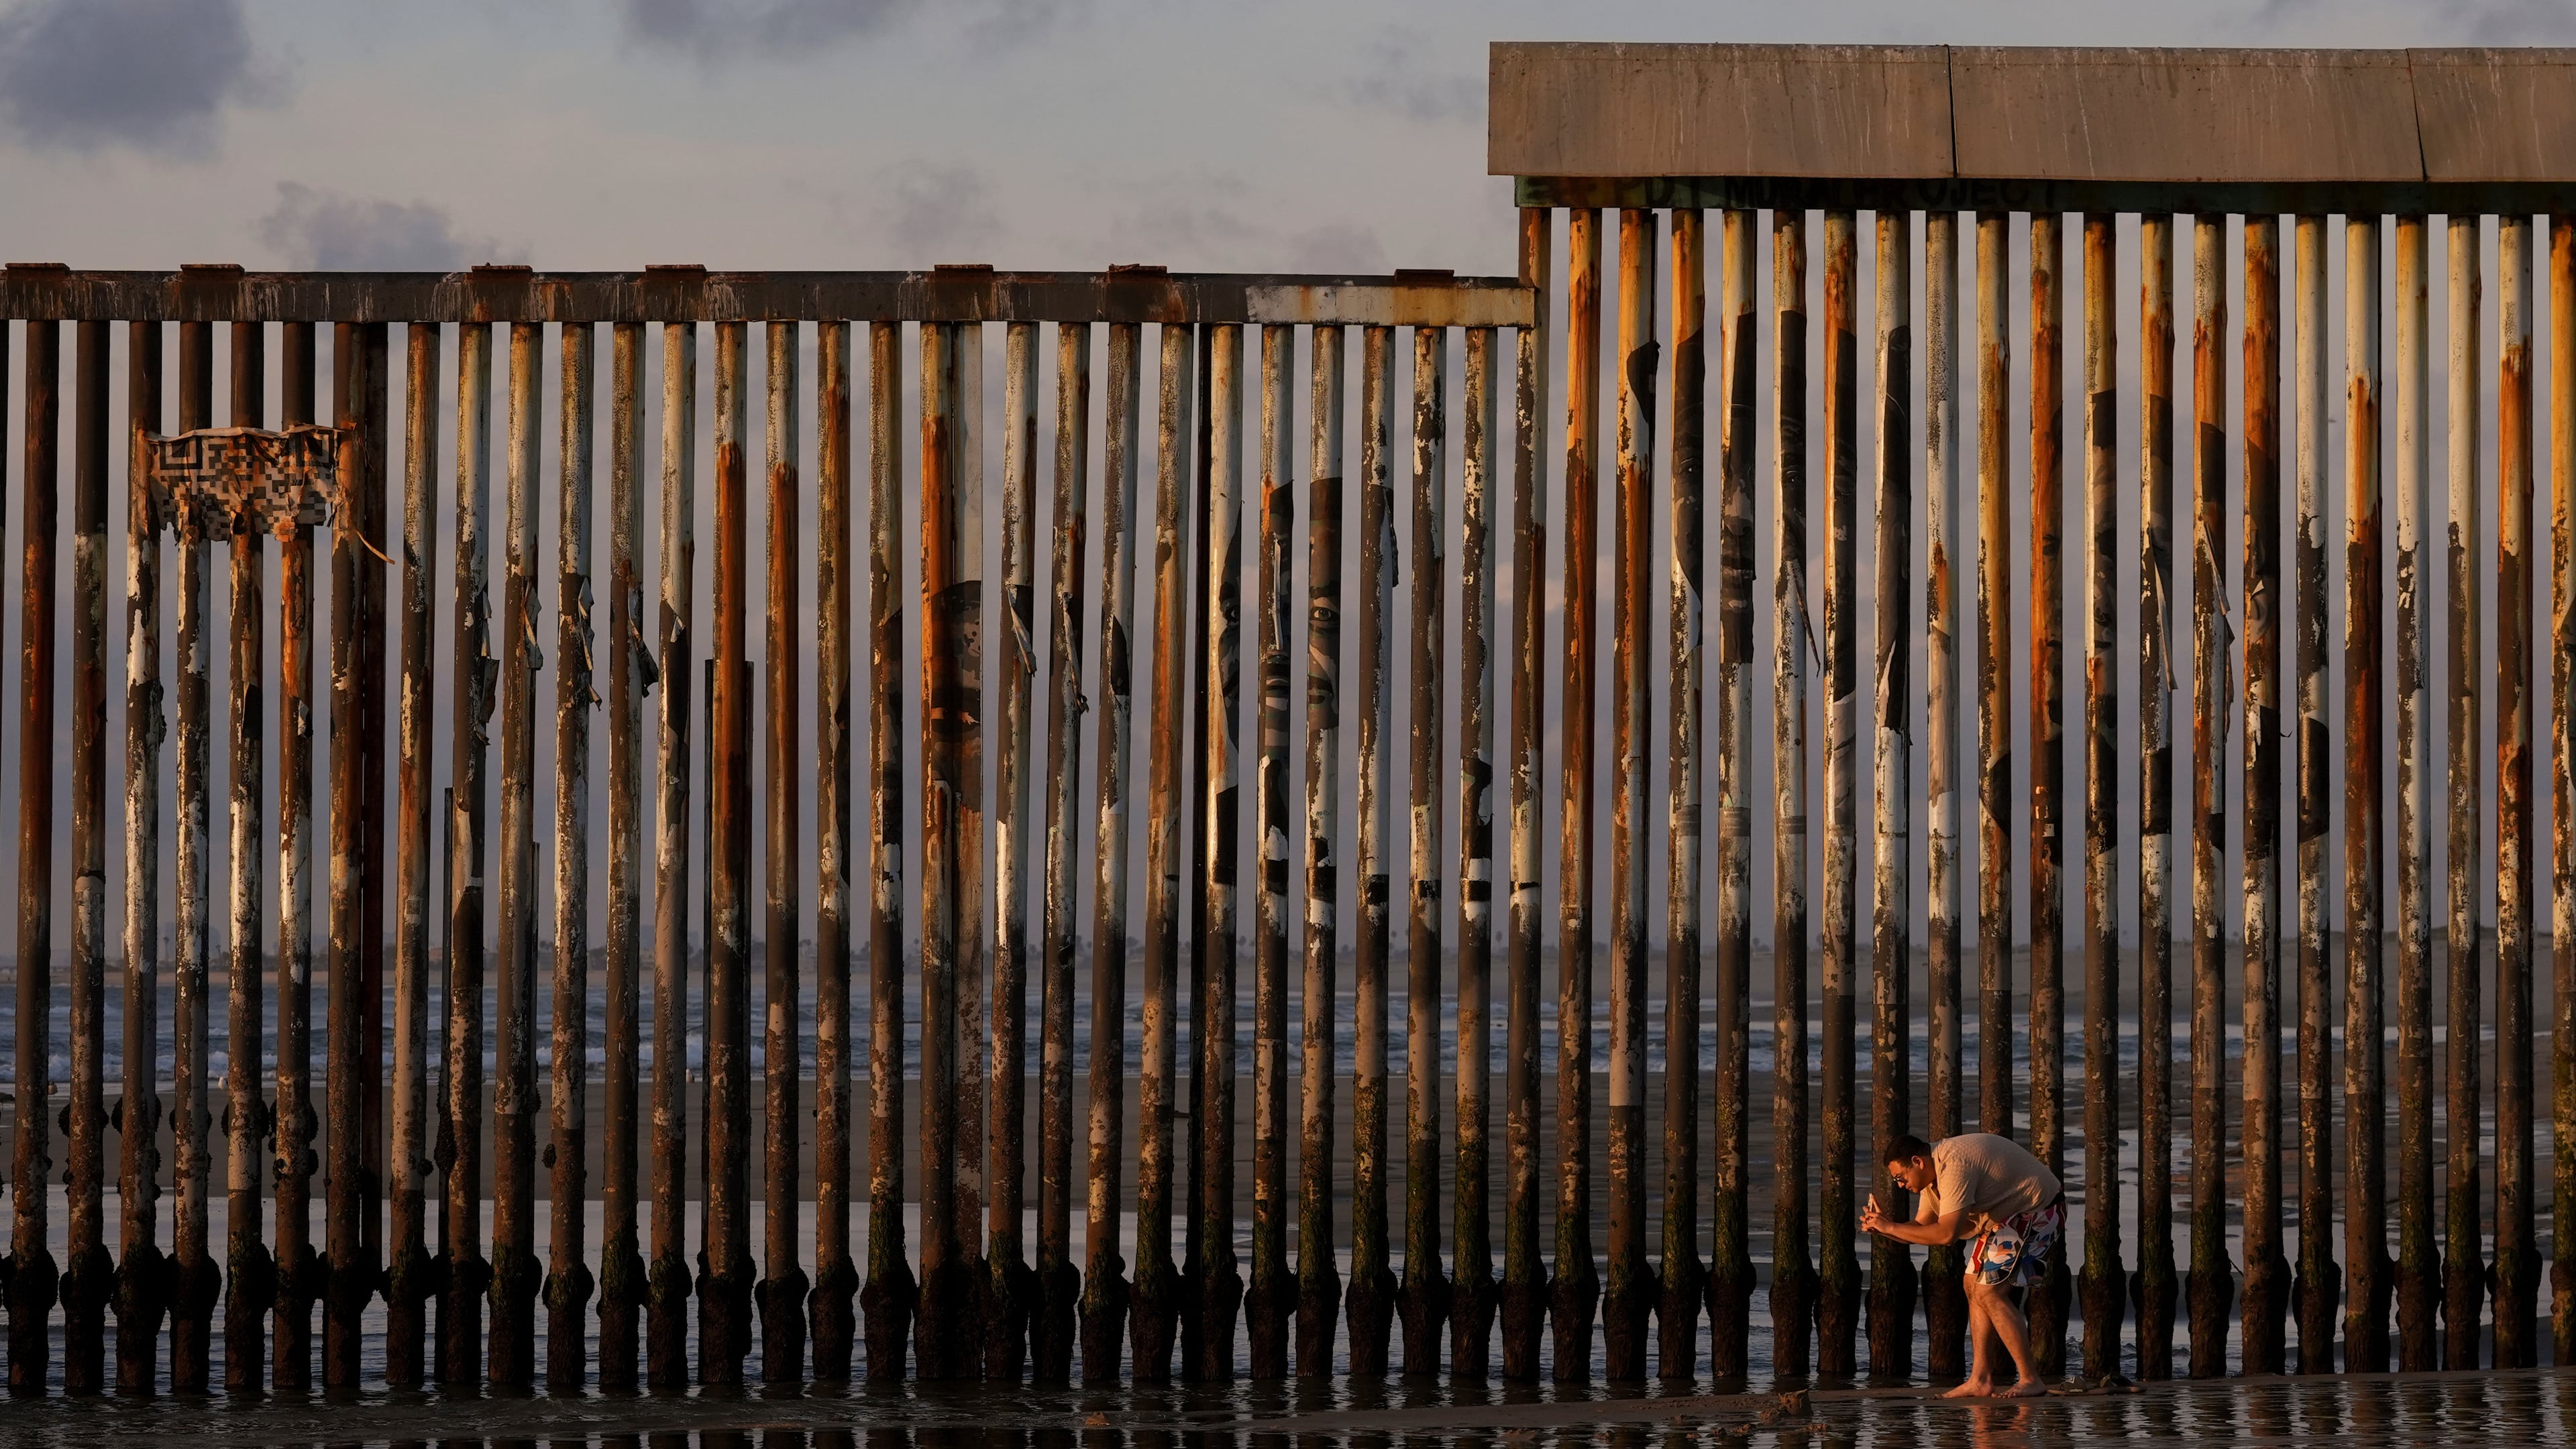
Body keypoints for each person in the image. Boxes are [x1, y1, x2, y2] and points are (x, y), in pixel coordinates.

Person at [1861, 1131, 2063, 1399]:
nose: (1900, 1185)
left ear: (1918, 1162)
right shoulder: (1932, 1178)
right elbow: (1922, 1228)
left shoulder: (1953, 1166)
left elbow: (1946, 1235)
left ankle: (2030, 1379)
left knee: (1990, 1293)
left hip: (2038, 1210)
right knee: (1972, 1286)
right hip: (2003, 1220)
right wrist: (1883, 1228)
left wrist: (1891, 1226)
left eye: (1901, 1177)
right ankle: (1980, 1380)